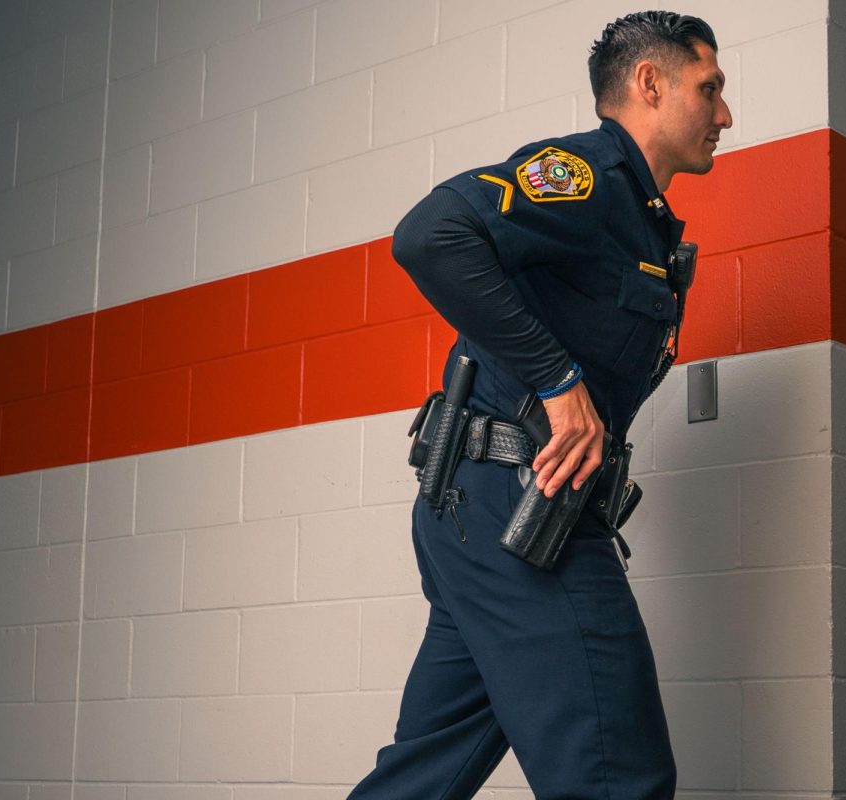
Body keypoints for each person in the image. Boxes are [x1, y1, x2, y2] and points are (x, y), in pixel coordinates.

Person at [346, 10, 732, 799]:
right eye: (710, 89)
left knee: (424, 776)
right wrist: (559, 384)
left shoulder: (647, 224)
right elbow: (431, 235)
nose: (725, 115)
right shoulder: (585, 176)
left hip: (489, 514)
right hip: (519, 510)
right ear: (648, 83)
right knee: (618, 779)